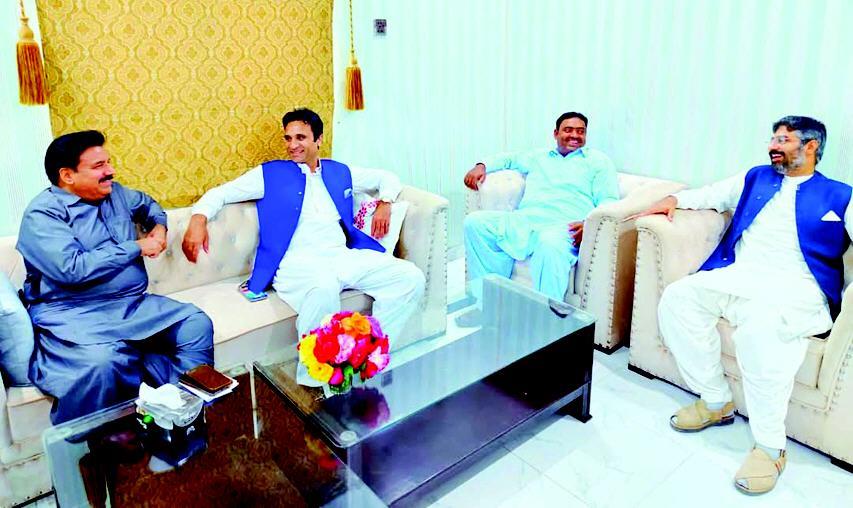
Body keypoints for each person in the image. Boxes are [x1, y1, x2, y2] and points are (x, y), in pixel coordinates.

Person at [630, 116, 852, 494]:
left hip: (797, 289)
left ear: (811, 146)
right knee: (678, 299)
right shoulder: (755, 177)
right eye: (773, 139)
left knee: (761, 336)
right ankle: (716, 400)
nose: (773, 146)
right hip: (739, 276)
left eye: (783, 140)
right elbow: (710, 195)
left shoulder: (841, 194)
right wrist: (673, 200)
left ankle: (770, 447)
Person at [181, 108, 424, 348]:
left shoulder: (339, 171)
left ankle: (371, 353)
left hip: (341, 256)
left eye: (300, 137)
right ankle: (314, 372)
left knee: (409, 277)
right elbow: (221, 193)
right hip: (297, 264)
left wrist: (385, 203)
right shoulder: (270, 174)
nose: (292, 145)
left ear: (319, 139)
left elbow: (386, 178)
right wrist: (198, 220)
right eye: (288, 138)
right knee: (323, 290)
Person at [17, 130, 214, 424]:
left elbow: (148, 205)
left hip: (131, 305)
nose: (110, 171)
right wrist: (136, 246)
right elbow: (72, 269)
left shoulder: (116, 193)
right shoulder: (42, 214)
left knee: (195, 323)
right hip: (74, 313)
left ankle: (183, 410)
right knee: (103, 363)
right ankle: (97, 439)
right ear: (67, 175)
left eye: (108, 162)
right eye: (99, 166)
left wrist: (159, 228)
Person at [462, 112, 619, 300]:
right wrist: (481, 165)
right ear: (556, 133)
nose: (575, 135)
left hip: (564, 228)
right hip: (525, 221)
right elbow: (509, 159)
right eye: (568, 130)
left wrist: (589, 224)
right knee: (475, 223)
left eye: (580, 131)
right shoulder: (538, 157)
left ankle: (547, 314)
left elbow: (608, 200)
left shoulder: (598, 162)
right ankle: (487, 299)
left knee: (549, 244)